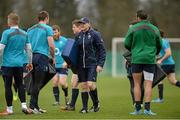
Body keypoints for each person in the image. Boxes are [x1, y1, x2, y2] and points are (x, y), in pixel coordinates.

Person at [124, 10, 162, 115]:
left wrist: (134, 49)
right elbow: (159, 44)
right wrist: (155, 52)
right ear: (147, 17)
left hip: (136, 58)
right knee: (148, 84)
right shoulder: (155, 29)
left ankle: (137, 109)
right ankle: (147, 109)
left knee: (136, 84)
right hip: (150, 59)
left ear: (137, 17)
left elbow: (126, 43)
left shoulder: (133, 28)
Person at [0, 12, 33, 115]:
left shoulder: (6, 33)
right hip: (19, 64)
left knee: (8, 86)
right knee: (20, 84)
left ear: (9, 22)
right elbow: (29, 49)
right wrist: (30, 62)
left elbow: (1, 49)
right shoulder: (25, 33)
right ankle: (24, 106)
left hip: (7, 64)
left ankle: (9, 109)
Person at [76, 17, 106, 113]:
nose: (82, 25)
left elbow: (102, 50)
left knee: (90, 84)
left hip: (92, 64)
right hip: (81, 65)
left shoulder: (95, 34)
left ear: (89, 24)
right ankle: (84, 108)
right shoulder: (78, 35)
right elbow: (75, 51)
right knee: (83, 85)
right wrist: (71, 63)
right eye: (80, 24)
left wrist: (100, 64)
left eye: (84, 23)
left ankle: (96, 103)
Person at [27, 11, 55, 114]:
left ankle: (36, 107)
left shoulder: (30, 29)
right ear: (46, 18)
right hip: (41, 57)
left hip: (31, 57)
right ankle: (31, 107)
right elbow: (51, 46)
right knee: (38, 83)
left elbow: (27, 45)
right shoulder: (48, 28)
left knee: (34, 82)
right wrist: (53, 57)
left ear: (38, 18)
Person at [152, 30, 180, 103]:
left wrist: (160, 60)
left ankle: (160, 99)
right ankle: (160, 99)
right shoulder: (163, 41)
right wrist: (157, 58)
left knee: (158, 79)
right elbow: (162, 53)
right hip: (171, 64)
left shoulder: (162, 42)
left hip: (166, 64)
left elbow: (168, 53)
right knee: (173, 81)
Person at [63, 19, 82, 111]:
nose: (72, 29)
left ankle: (95, 103)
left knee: (88, 86)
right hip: (77, 66)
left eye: (74, 27)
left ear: (79, 27)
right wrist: (69, 62)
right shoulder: (77, 38)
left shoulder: (82, 37)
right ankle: (72, 105)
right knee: (74, 83)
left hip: (84, 66)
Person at [124, 21, 144, 106]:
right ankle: (138, 103)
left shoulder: (132, 38)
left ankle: (136, 103)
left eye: (131, 27)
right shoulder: (141, 37)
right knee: (137, 84)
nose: (129, 29)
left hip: (136, 62)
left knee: (135, 84)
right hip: (132, 63)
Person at [51, 25, 69, 106]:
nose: (54, 34)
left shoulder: (64, 40)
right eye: (53, 32)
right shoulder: (50, 41)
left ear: (59, 32)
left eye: (55, 32)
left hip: (62, 65)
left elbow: (69, 52)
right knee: (54, 82)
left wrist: (66, 62)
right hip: (53, 65)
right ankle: (57, 101)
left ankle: (66, 96)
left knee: (62, 83)